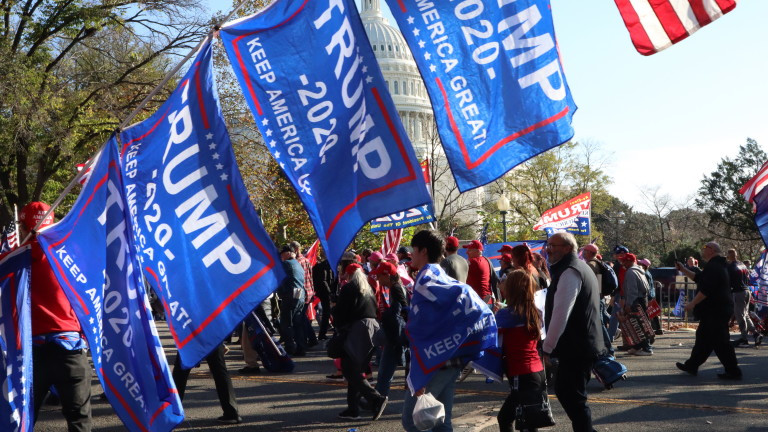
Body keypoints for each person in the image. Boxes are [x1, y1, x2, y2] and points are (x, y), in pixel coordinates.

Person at [402, 230, 496, 432]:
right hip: (453, 357)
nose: (411, 255)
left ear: (423, 251)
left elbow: (422, 327)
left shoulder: (427, 279)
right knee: (442, 422)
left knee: (413, 421)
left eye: (413, 250)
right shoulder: (439, 275)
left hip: (436, 361)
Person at [18, 202, 92, 431]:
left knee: (21, 420)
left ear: (23, 226)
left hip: (32, 355)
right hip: (70, 349)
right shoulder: (72, 256)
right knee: (79, 421)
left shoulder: (14, 260)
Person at [543, 232, 605, 432]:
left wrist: (547, 347)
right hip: (580, 344)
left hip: (578, 346)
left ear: (568, 248)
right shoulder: (575, 268)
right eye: (548, 244)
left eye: (554, 245)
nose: (549, 248)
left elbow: (561, 314)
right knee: (568, 392)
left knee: (573, 396)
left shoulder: (570, 271)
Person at [675, 242, 743, 379]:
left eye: (705, 248)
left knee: (721, 342)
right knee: (703, 339)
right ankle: (692, 365)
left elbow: (706, 290)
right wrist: (683, 269)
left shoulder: (714, 266)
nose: (702, 251)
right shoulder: (716, 265)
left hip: (716, 310)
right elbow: (699, 279)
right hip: (716, 310)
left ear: (711, 250)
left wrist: (692, 304)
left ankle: (733, 371)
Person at [332, 264, 388, 421]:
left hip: (357, 329)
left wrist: (333, 310)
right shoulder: (367, 287)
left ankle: (376, 398)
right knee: (355, 368)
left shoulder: (349, 288)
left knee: (349, 369)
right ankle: (353, 408)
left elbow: (342, 313)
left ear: (348, 274)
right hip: (371, 328)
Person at [496, 270, 545, 432]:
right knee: (529, 422)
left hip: (520, 372)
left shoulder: (506, 315)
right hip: (536, 369)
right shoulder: (535, 311)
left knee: (506, 419)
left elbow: (490, 334)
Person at [172, 344, 242, 424]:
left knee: (181, 370)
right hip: (211, 334)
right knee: (219, 368)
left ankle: (171, 410)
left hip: (191, 334)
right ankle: (231, 411)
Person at [373, 261, 408, 397]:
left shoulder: (396, 288)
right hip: (398, 334)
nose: (377, 278)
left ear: (387, 275)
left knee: (385, 371)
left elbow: (404, 309)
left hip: (396, 335)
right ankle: (378, 397)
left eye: (379, 275)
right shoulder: (397, 287)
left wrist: (390, 318)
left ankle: (378, 399)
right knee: (385, 371)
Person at [581, 243, 614, 356]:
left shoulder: (591, 265)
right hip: (598, 297)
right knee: (599, 323)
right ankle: (607, 350)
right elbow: (598, 282)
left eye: (585, 251)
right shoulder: (598, 263)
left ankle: (608, 351)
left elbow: (592, 283)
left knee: (599, 324)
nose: (583, 253)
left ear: (590, 252)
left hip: (594, 298)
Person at [726, 249, 761, 347]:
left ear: (729, 256)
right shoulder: (742, 265)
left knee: (740, 316)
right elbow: (748, 277)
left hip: (738, 292)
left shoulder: (731, 267)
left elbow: (727, 281)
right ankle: (756, 334)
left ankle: (744, 338)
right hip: (747, 291)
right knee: (745, 315)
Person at [619, 253, 653, 356]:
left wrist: (629, 304)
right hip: (642, 299)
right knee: (639, 323)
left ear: (629, 261)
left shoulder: (630, 272)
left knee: (639, 325)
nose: (622, 263)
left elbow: (632, 290)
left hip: (636, 301)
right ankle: (637, 346)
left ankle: (647, 348)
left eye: (624, 261)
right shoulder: (640, 270)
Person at [277, 244, 307, 356]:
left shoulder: (286, 264)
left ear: (288, 253)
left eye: (282, 254)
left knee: (287, 323)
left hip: (290, 296)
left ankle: (290, 347)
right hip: (300, 295)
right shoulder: (297, 264)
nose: (281, 256)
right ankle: (301, 347)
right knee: (298, 323)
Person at [291, 241, 319, 347]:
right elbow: (310, 277)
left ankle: (310, 338)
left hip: (302, 292)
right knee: (302, 317)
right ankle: (311, 338)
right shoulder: (306, 260)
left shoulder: (297, 262)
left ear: (296, 249)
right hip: (308, 291)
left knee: (300, 317)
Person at [312, 252, 336, 340]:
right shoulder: (323, 266)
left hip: (325, 292)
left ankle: (324, 333)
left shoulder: (326, 265)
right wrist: (330, 293)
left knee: (328, 313)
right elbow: (324, 280)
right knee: (327, 313)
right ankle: (322, 333)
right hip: (325, 293)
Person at [464, 240, 493, 304]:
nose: (467, 252)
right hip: (486, 299)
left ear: (478, 251)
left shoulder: (474, 262)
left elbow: (459, 264)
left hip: (480, 301)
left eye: (470, 250)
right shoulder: (485, 260)